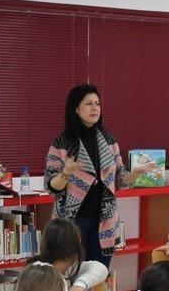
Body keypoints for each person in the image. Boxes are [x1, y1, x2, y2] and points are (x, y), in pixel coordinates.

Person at [44, 84, 148, 266]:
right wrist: (66, 173)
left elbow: (120, 180)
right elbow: (51, 186)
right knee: (72, 279)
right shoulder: (62, 142)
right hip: (72, 223)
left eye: (97, 104)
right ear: (76, 108)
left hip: (104, 222)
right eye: (88, 104)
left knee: (98, 276)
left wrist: (134, 175)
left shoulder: (108, 140)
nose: (94, 108)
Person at [0, 218, 107, 291]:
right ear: (76, 250)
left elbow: (100, 268)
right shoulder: (52, 279)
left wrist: (81, 284)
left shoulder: (37, 267)